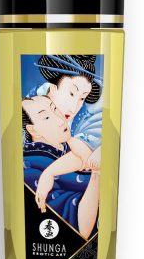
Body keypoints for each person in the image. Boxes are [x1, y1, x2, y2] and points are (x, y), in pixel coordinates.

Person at [22, 95, 100, 239]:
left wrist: (50, 172)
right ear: (33, 130)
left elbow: (88, 157)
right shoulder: (29, 169)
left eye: (55, 109)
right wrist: (97, 174)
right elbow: (81, 230)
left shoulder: (69, 147)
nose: (60, 120)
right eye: (46, 117)